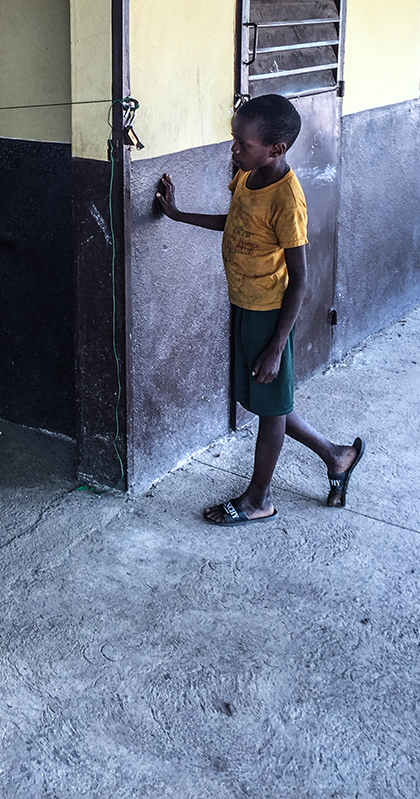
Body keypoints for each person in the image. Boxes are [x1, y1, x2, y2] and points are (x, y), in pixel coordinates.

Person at [155, 92, 365, 526]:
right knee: (269, 400)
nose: (234, 149)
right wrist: (177, 215)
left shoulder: (288, 200)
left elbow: (301, 280)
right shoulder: (248, 177)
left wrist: (275, 346)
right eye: (234, 140)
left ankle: (258, 500)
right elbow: (233, 223)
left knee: (269, 409)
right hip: (245, 304)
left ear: (276, 148)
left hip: (271, 312)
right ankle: (336, 455)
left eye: (242, 144)